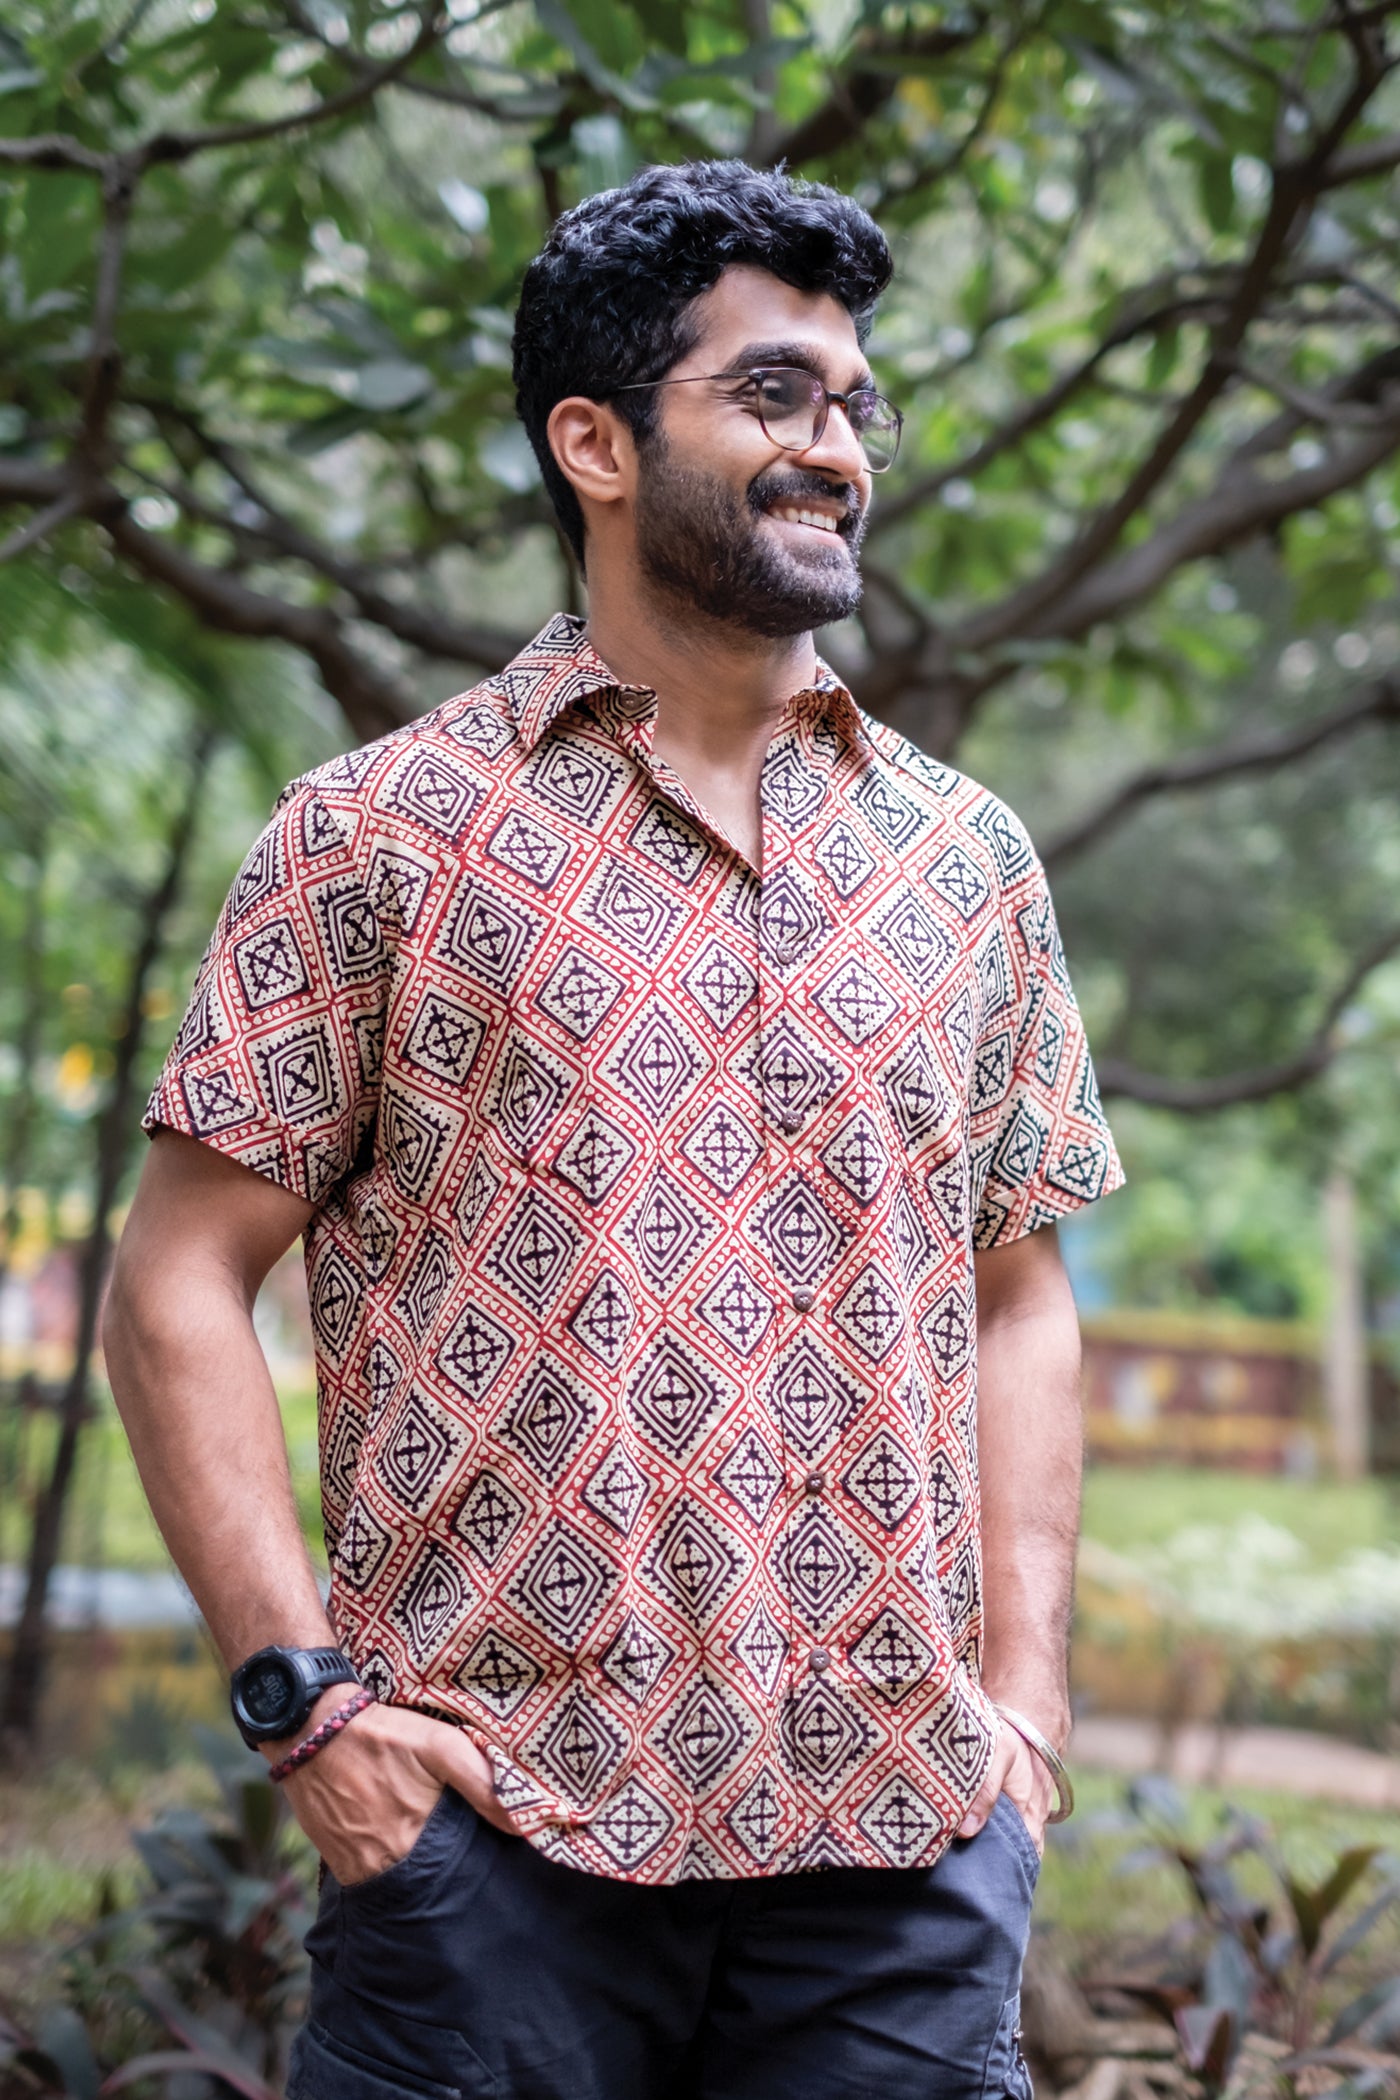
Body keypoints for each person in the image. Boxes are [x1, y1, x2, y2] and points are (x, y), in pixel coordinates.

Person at [105, 158, 1123, 2100]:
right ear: (593, 440)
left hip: (902, 1865)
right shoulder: (380, 837)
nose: (832, 449)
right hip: (495, 1865)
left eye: (852, 405)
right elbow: (178, 1283)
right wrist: (300, 1710)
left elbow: (1018, 1297)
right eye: (770, 396)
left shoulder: (965, 858)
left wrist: (1031, 1711)